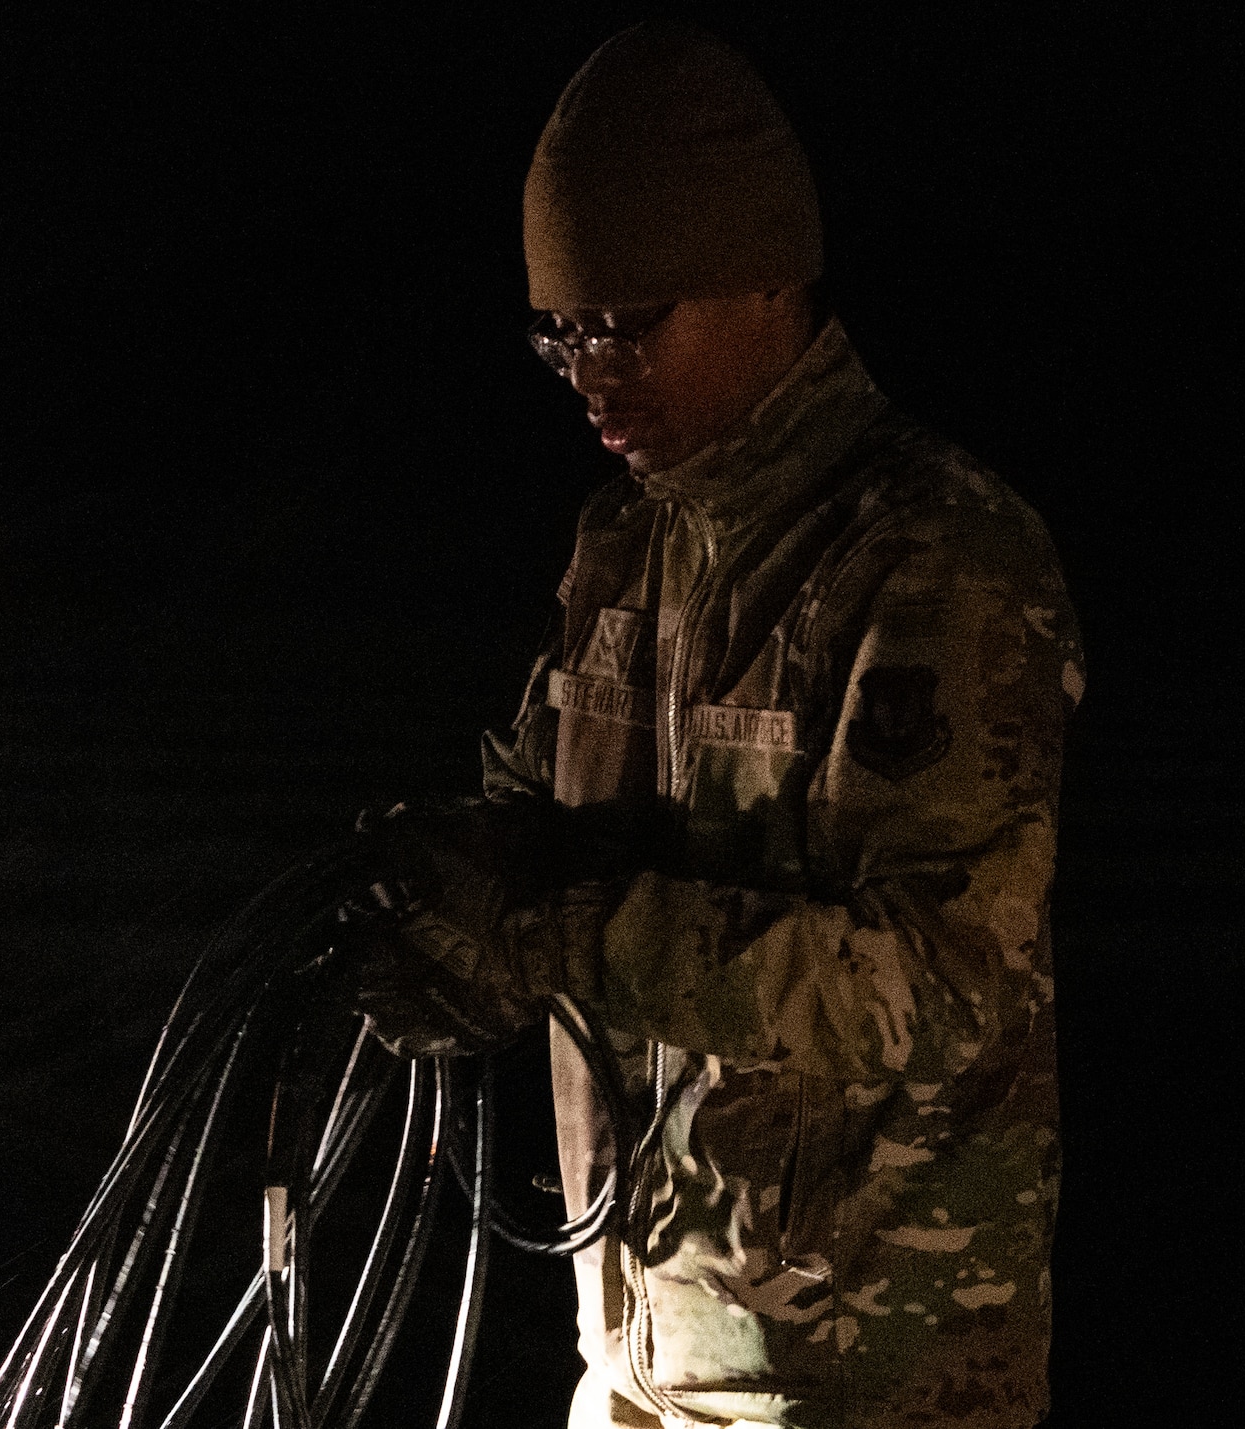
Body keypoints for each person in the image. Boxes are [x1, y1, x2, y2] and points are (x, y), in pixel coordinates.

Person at [342, 22, 1084, 1429]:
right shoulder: (624, 548)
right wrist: (440, 930)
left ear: (766, 277)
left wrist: (546, 928)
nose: (592, 374)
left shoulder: (934, 560)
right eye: (560, 333)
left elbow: (930, 990)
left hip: (865, 1389)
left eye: (630, 323)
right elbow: (527, 828)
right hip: (636, 1361)